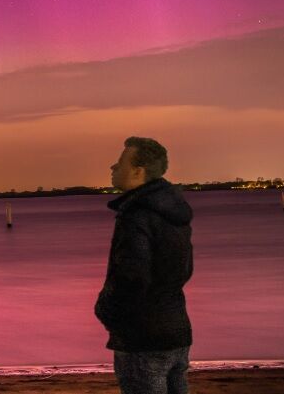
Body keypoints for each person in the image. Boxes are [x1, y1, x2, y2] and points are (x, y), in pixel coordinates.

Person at [95, 136, 194, 394]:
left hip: (142, 337)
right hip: (177, 330)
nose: (113, 168)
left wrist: (106, 311)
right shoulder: (174, 211)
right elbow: (185, 270)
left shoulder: (137, 215)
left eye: (119, 163)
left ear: (138, 172)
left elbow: (132, 277)